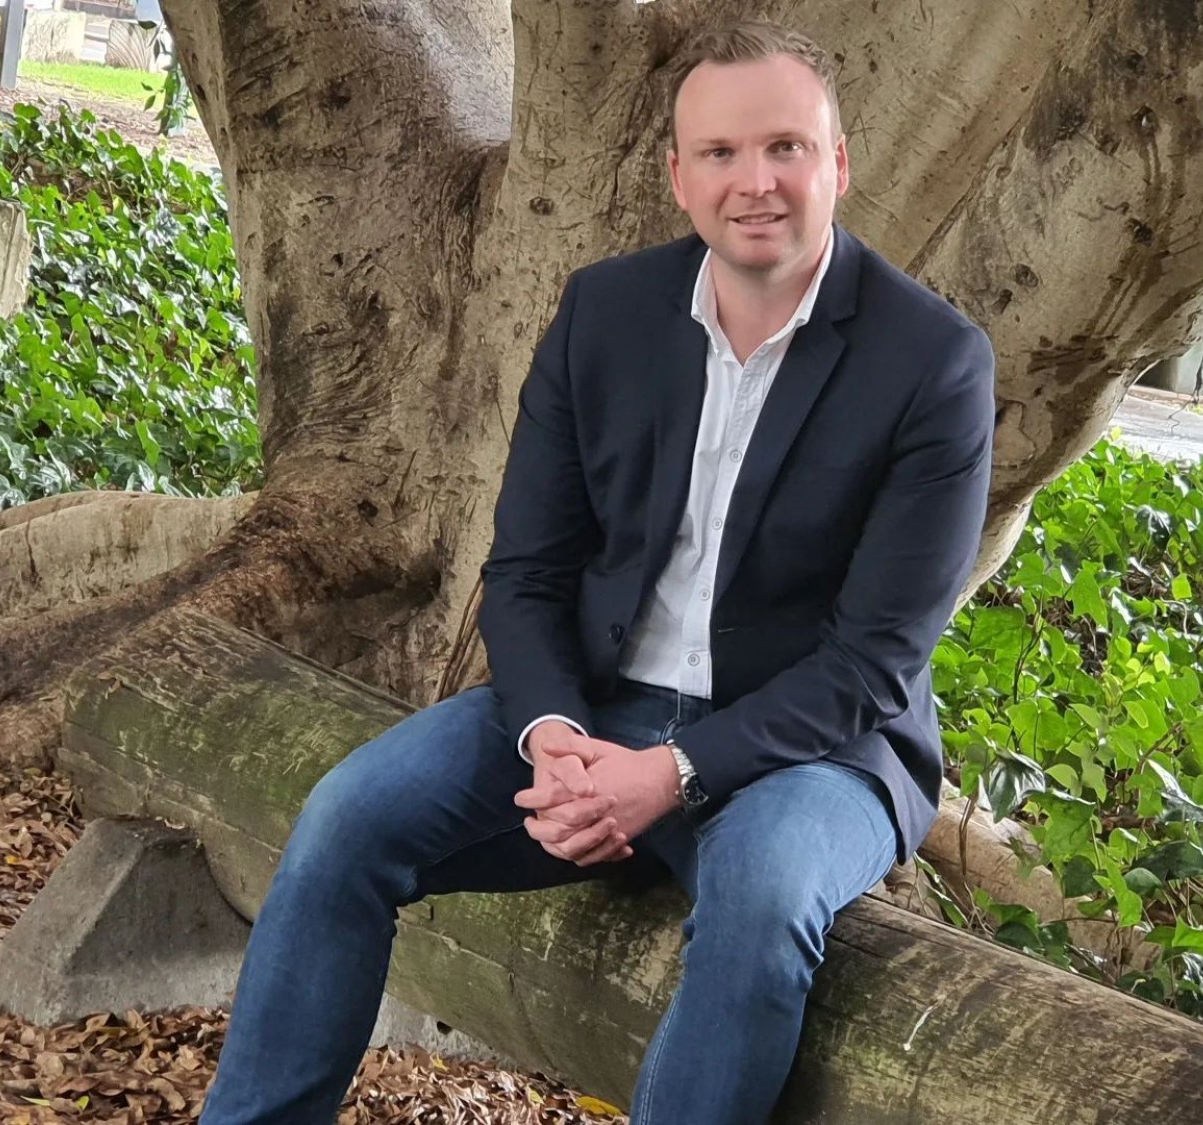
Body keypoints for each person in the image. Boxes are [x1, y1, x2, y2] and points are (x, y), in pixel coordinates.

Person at [199, 20, 995, 1125]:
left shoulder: (933, 361)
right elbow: (527, 569)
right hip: (593, 708)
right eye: (720, 152)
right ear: (678, 176)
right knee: (345, 818)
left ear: (839, 163)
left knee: (764, 903)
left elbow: (873, 663)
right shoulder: (605, 315)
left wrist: (670, 774)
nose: (755, 181)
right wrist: (554, 736)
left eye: (786, 148)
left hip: (814, 752)